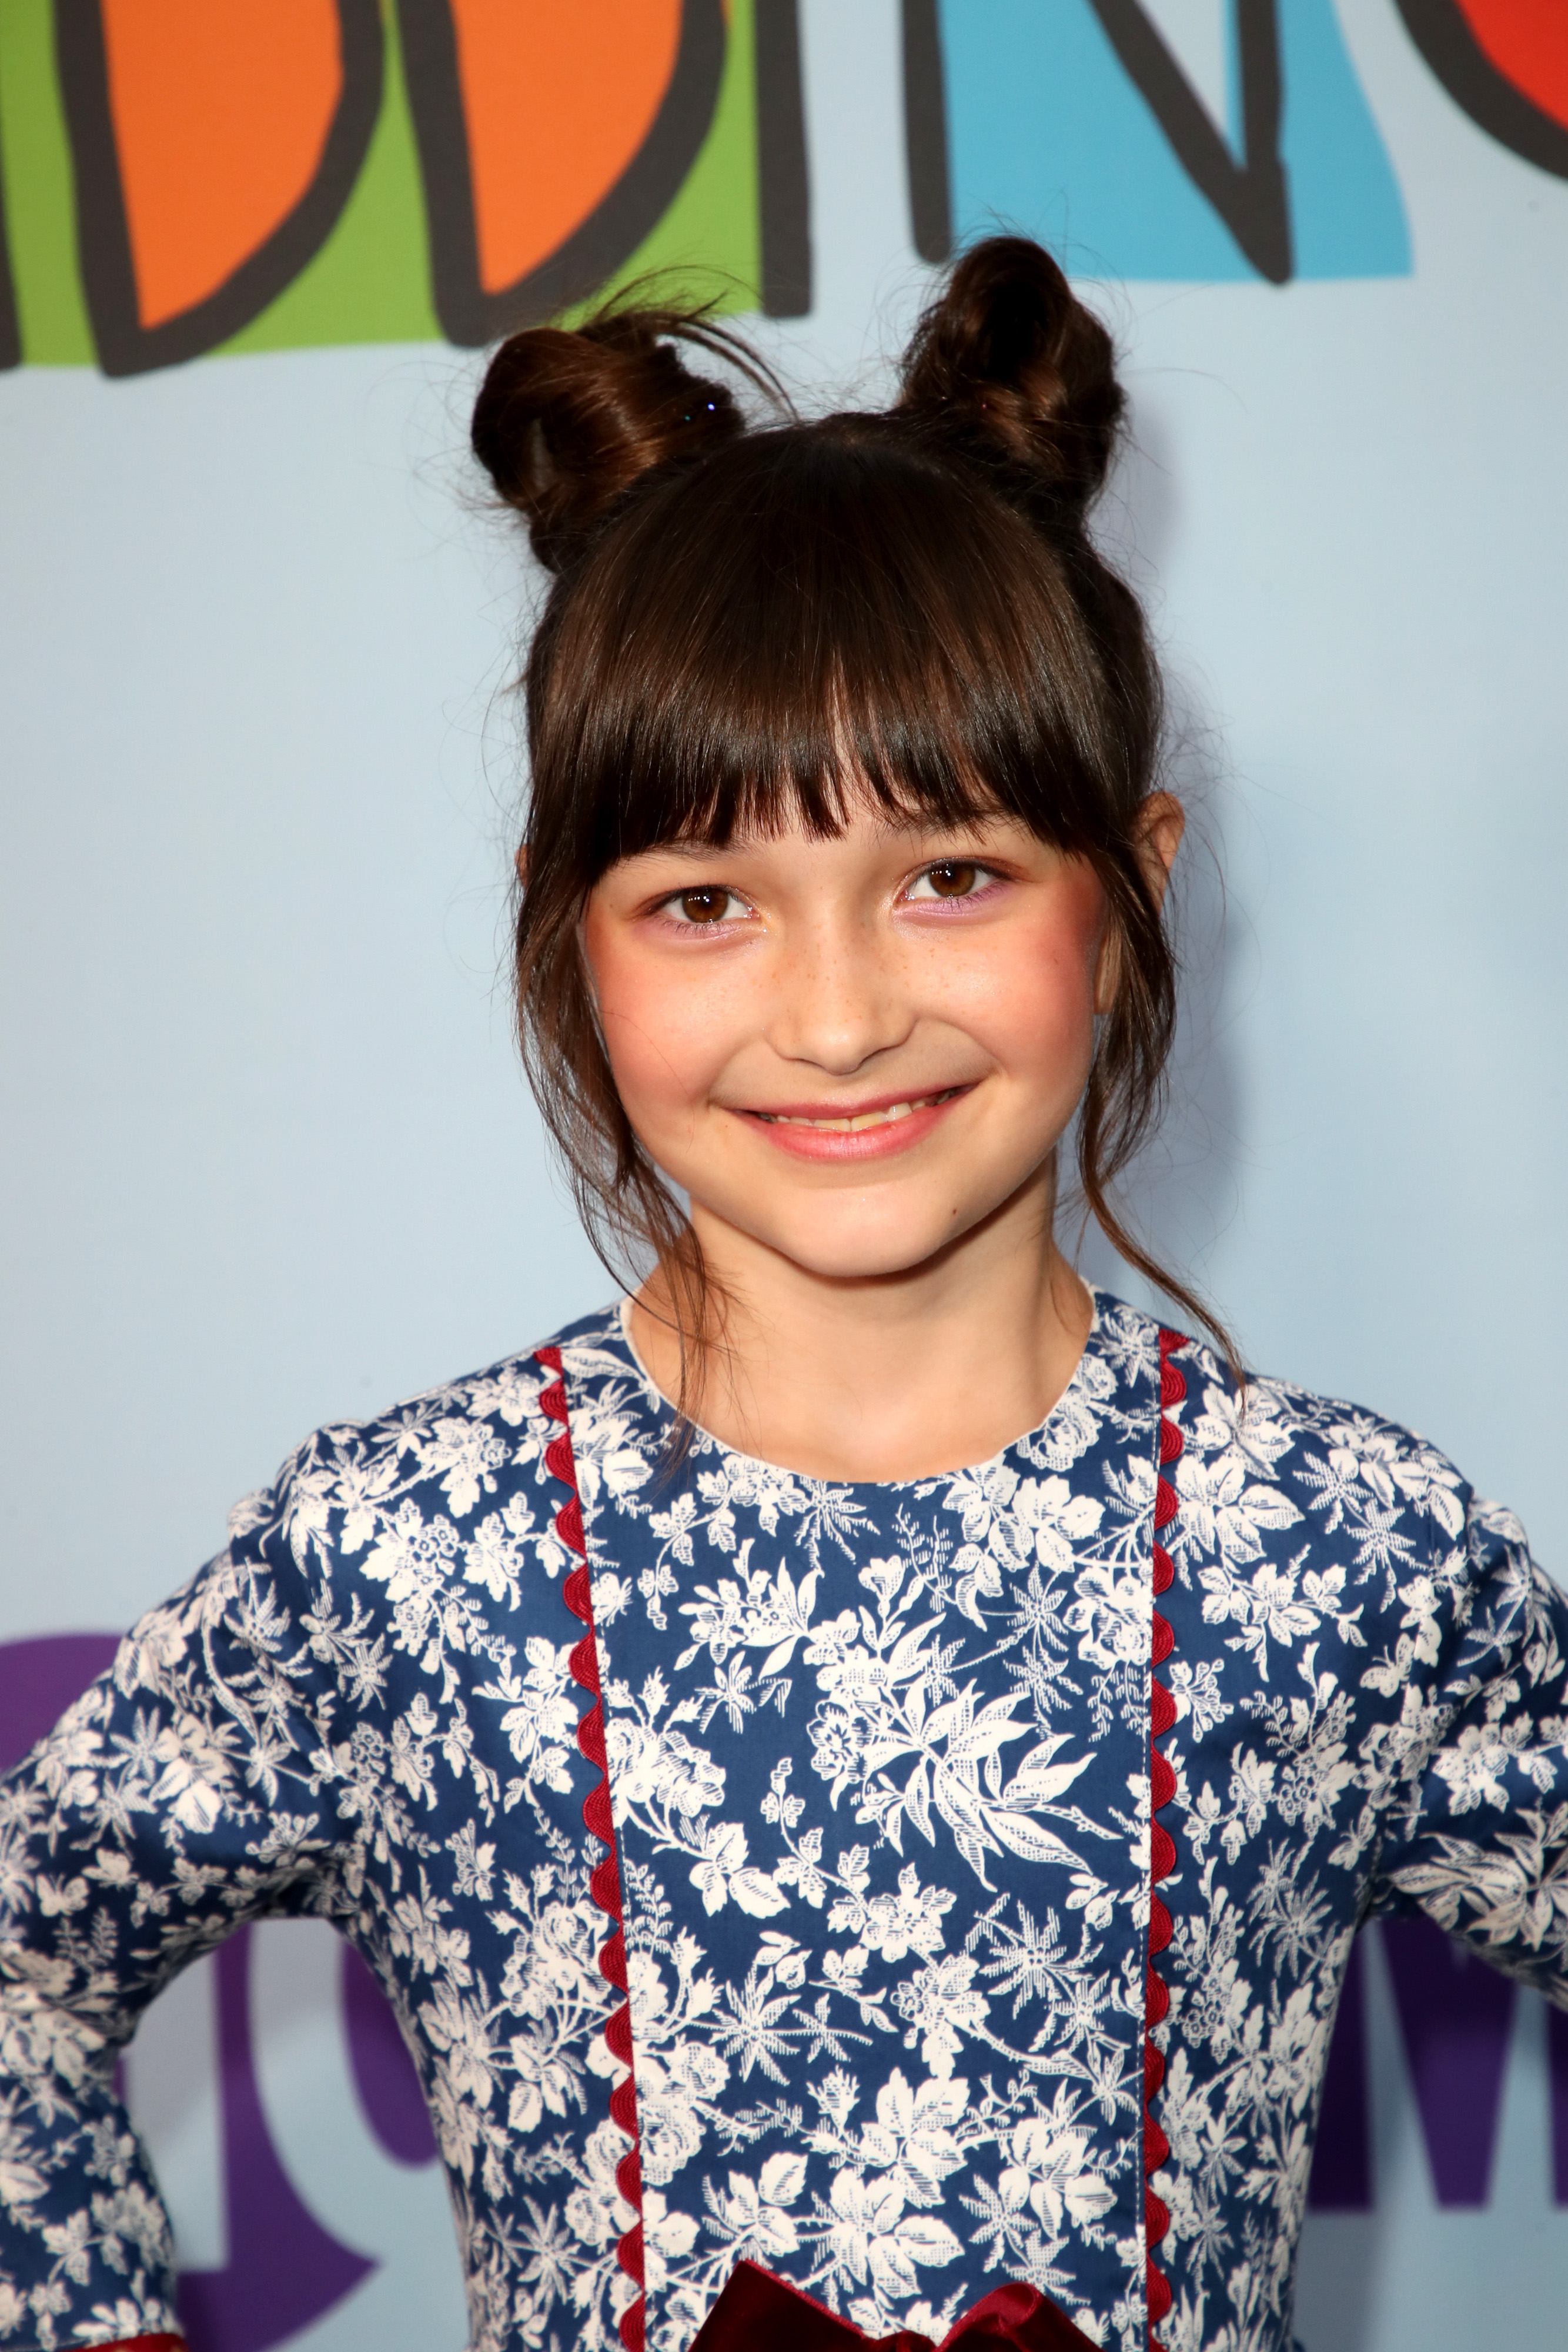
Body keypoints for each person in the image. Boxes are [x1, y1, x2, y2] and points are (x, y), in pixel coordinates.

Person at [0, 237, 1563, 2352]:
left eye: (951, 875)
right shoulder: (402, 1557)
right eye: (706, 900)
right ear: (572, 944)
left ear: (1132, 892)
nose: (835, 1018)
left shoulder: (1340, 1549)